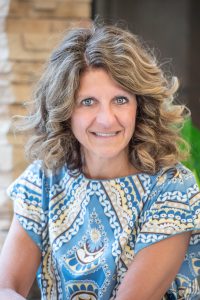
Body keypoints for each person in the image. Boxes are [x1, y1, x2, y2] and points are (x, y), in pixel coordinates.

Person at [0, 22, 199, 300]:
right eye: (88, 102)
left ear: (139, 106)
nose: (106, 119)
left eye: (120, 100)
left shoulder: (173, 188)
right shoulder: (44, 179)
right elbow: (5, 288)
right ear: (65, 109)